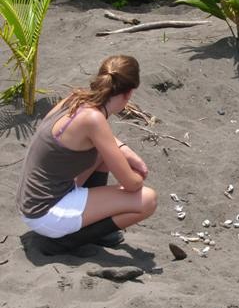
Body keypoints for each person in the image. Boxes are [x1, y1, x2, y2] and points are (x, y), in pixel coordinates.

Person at [16, 55, 157, 255]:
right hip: (45, 214)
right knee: (147, 200)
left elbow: (103, 140)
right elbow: (132, 184)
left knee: (104, 154)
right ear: (128, 94)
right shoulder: (94, 120)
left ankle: (94, 227)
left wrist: (127, 152)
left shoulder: (75, 99)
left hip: (32, 201)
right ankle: (62, 243)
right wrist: (137, 177)